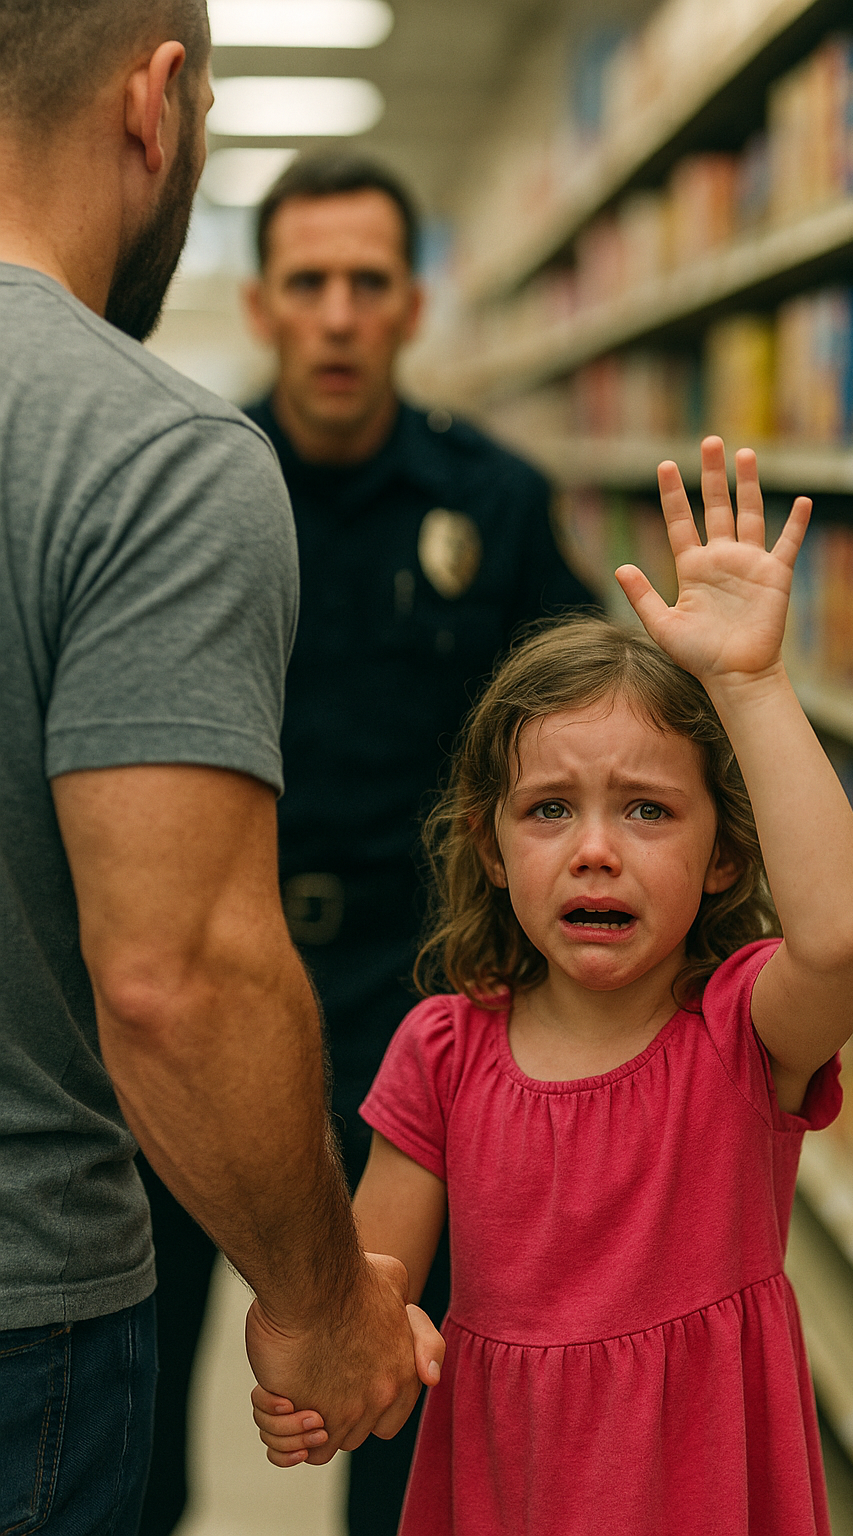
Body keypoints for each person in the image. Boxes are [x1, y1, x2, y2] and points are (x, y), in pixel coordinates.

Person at [255, 438, 853, 1533]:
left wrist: (750, 683)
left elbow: (834, 942)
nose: (595, 850)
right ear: (489, 849)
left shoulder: (741, 1035)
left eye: (647, 809)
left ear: (724, 857)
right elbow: (372, 1281)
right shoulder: (442, 1053)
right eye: (549, 809)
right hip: (512, 1491)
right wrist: (337, 1356)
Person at [0, 5, 442, 1532]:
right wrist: (326, 1304)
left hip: (386, 1000)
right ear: (158, 99)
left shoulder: (482, 506)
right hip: (31, 1287)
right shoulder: (146, 454)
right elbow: (175, 974)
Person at [138, 151, 593, 1536]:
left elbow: (590, 736)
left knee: (422, 1413)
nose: (339, 315)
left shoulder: (496, 506)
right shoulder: (178, 489)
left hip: (425, 1023)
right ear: (265, 304)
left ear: (412, 304)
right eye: (310, 285)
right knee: (134, 1404)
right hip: (210, 1006)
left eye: (368, 285)